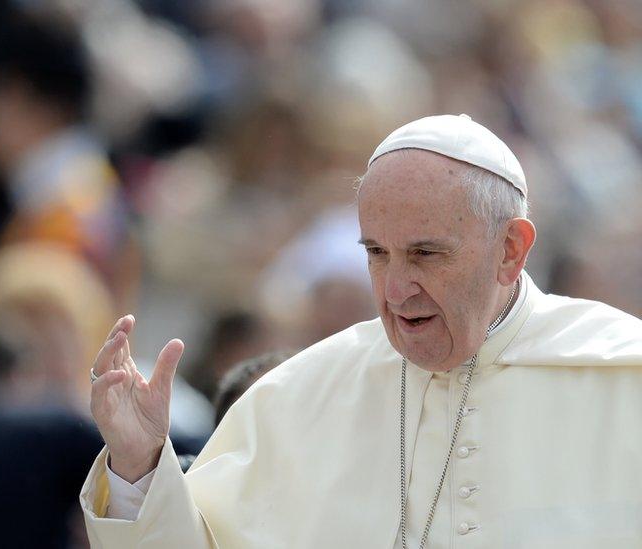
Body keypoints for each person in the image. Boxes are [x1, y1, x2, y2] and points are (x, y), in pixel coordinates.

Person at [80, 114, 642, 547]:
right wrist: (139, 467)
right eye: (377, 253)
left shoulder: (620, 375)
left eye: (425, 254)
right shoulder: (299, 396)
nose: (396, 290)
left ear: (510, 251)